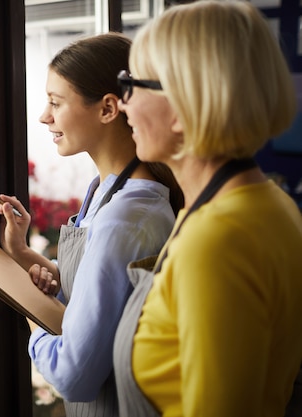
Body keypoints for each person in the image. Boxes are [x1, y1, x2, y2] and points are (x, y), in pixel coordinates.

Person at [113, 1, 302, 416]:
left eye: (131, 85)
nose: (123, 103)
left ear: (180, 106)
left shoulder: (217, 241)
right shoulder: (271, 202)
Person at [0, 33, 183, 417]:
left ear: (108, 108)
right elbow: (96, 291)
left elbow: (72, 374)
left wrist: (30, 305)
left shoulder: (125, 218)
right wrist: (22, 252)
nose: (44, 116)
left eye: (55, 102)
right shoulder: (105, 190)